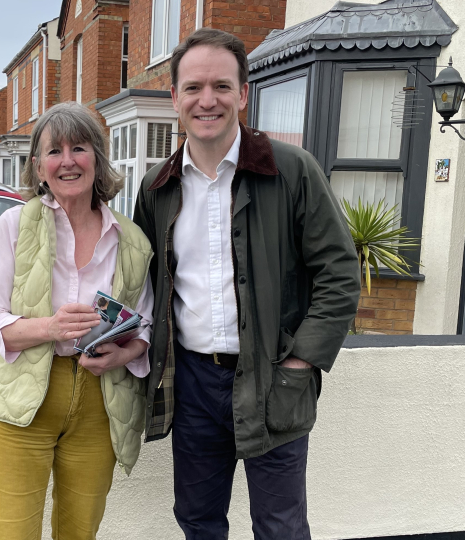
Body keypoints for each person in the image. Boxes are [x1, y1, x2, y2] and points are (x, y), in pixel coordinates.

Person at [133, 29, 360, 539]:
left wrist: (300, 363)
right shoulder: (157, 188)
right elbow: (143, 285)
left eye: (220, 86)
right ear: (174, 98)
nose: (206, 100)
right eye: (192, 88)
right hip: (191, 385)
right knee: (197, 520)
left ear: (243, 93)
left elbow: (339, 274)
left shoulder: (292, 171)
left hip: (274, 379)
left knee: (279, 528)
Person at [0, 101, 154, 540]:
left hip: (99, 400)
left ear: (97, 157)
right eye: (54, 151)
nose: (68, 161)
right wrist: (50, 328)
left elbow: (146, 324)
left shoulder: (131, 240)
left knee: (80, 531)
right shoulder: (15, 225)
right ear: (38, 167)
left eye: (79, 147)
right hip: (23, 395)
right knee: (11, 532)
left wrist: (125, 352)